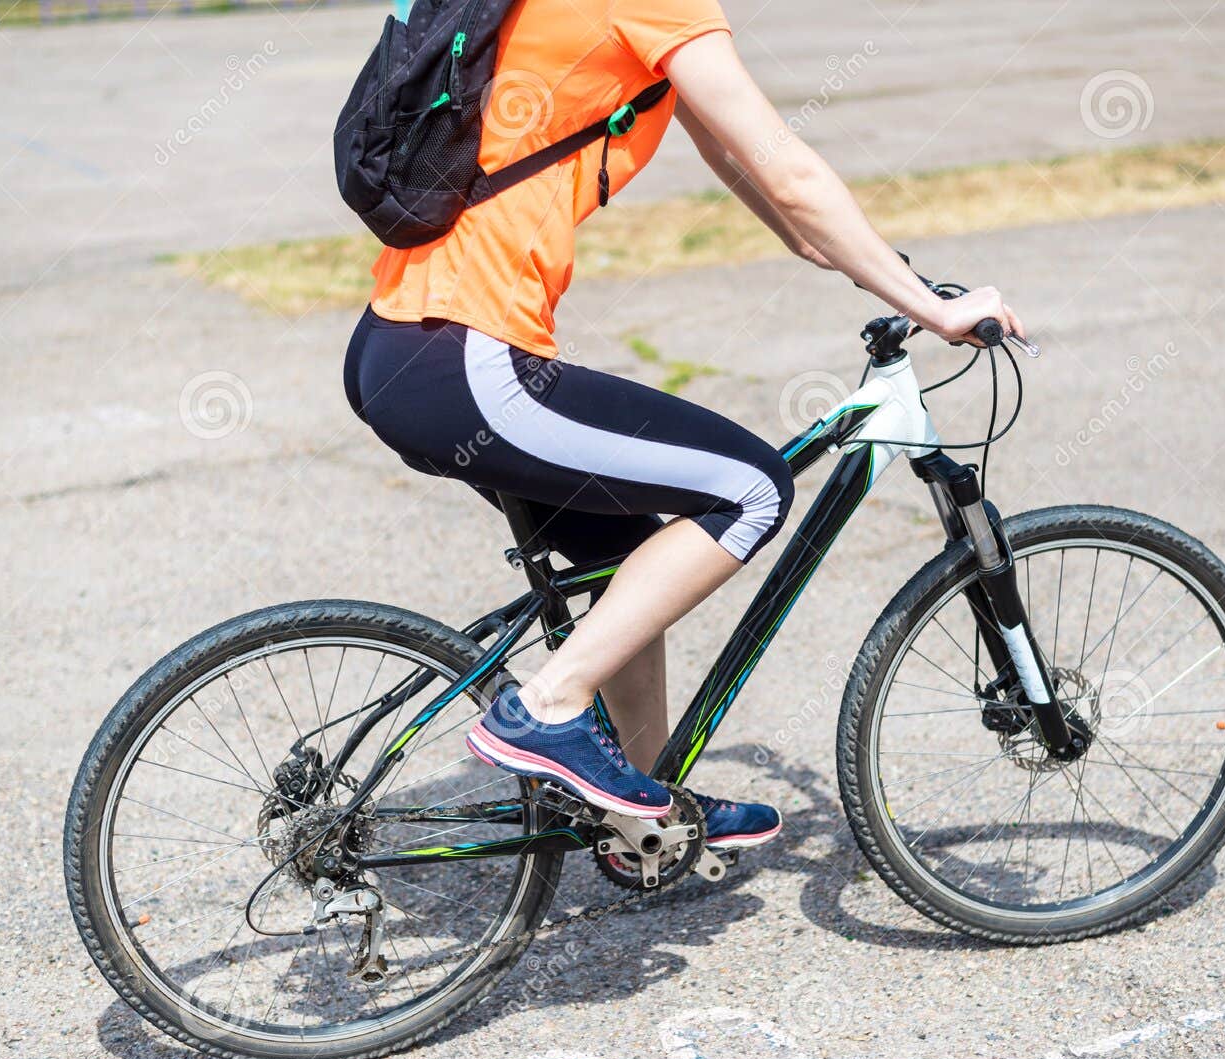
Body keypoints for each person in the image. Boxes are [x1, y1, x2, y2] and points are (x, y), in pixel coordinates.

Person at [344, 0, 1025, 846]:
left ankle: (642, 815)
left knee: (624, 552)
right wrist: (932, 309)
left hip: (401, 349)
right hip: (470, 362)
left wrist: (885, 275)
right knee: (752, 488)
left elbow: (760, 182)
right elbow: (790, 172)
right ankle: (548, 706)